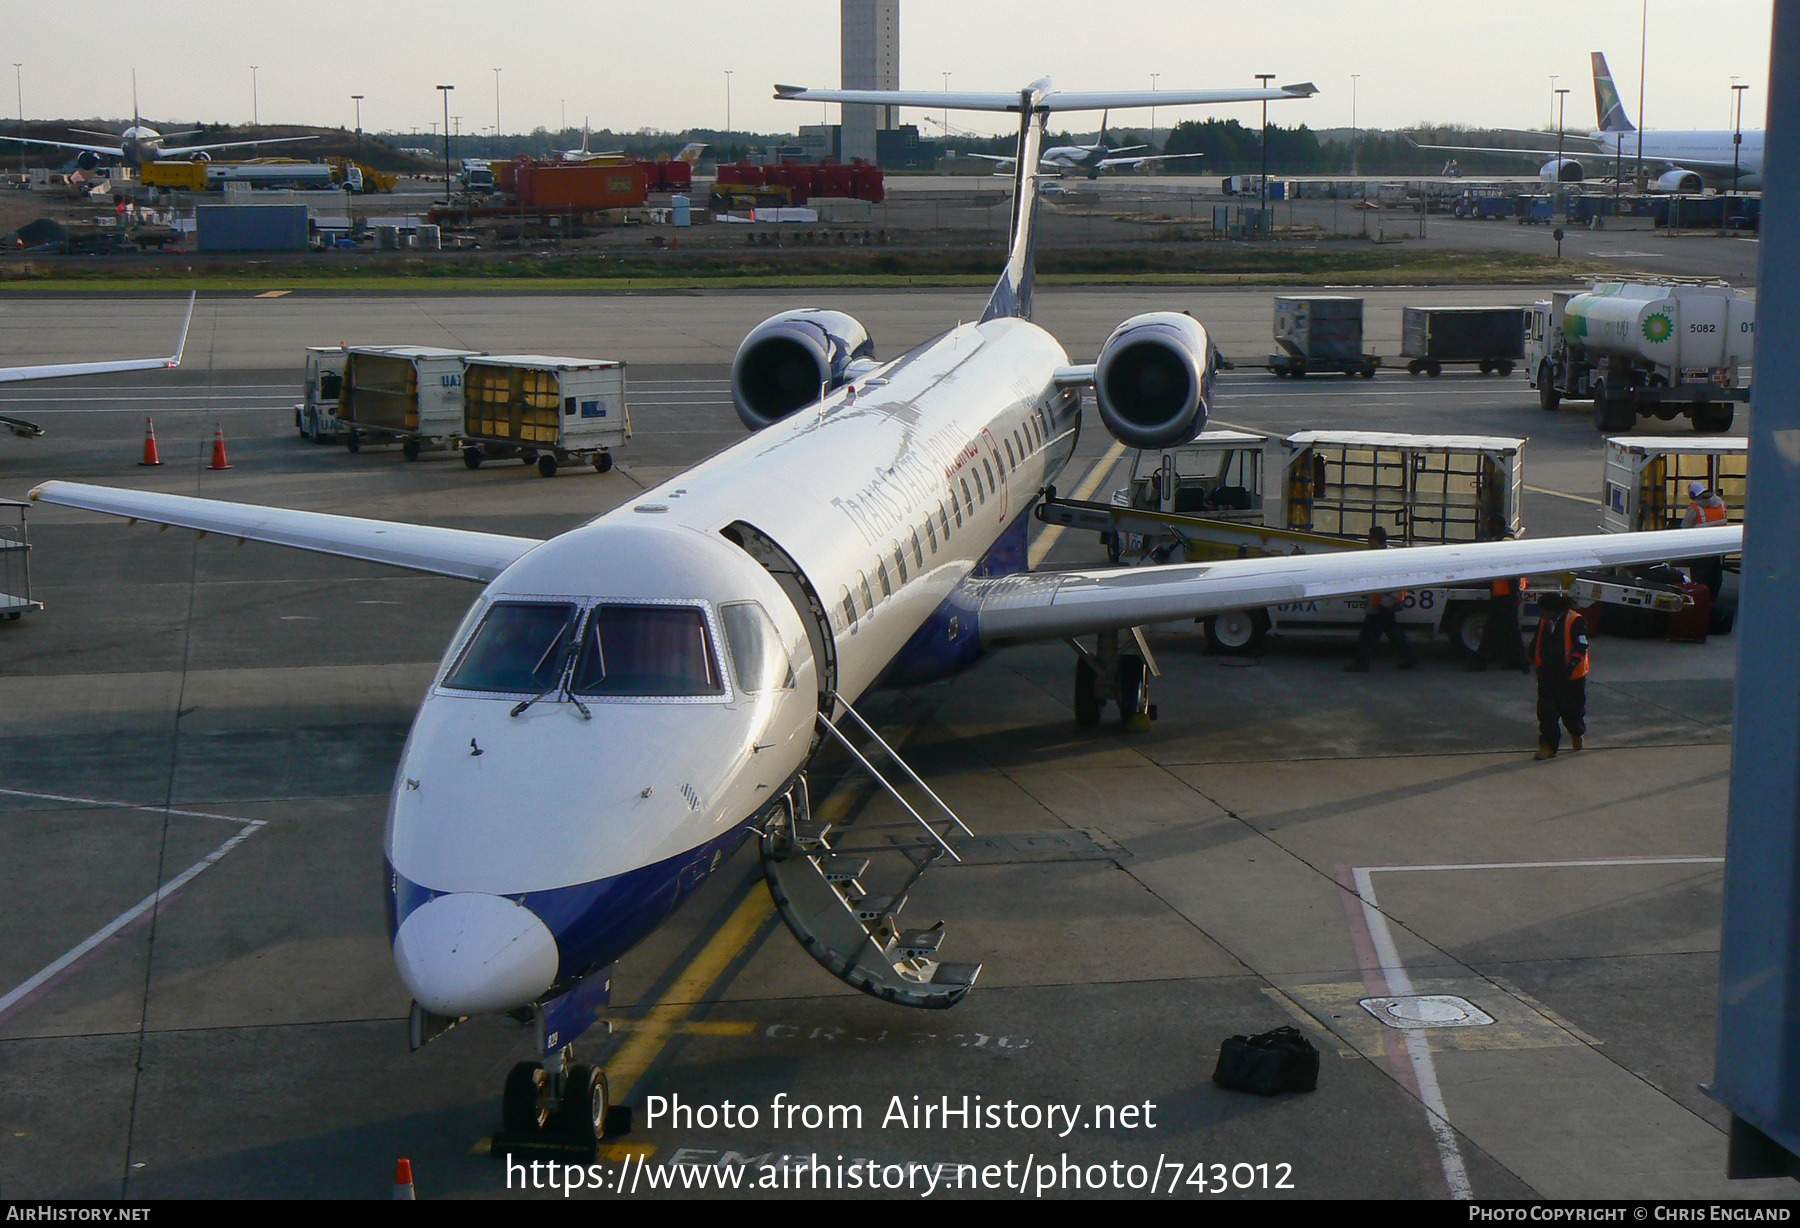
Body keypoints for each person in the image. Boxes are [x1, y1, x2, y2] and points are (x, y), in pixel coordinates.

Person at [1345, 526, 1419, 672]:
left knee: (1367, 635)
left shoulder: (1383, 556)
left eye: (1369, 538)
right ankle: (1411, 658)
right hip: (1384, 603)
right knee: (1394, 633)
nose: (1367, 541)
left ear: (1374, 539)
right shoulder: (1387, 553)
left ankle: (1361, 663)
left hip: (1380, 604)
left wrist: (1388, 599)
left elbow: (1392, 580)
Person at [1530, 590, 1590, 759]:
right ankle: (1548, 746)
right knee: (1546, 712)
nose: (1542, 613)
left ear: (1552, 610)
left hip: (1570, 678)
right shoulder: (1544, 622)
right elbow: (1537, 642)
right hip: (1548, 675)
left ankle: (1576, 732)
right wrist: (1527, 659)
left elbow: (1581, 645)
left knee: (1572, 711)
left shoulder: (1576, 620)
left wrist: (1571, 665)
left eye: (1544, 610)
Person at [1468, 514, 1529, 673]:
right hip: (1507, 594)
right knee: (1511, 631)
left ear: (1496, 526)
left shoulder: (1505, 544)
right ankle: (1519, 661)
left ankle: (1480, 662)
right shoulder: (1507, 540)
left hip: (1505, 596)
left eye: (1489, 525)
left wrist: (1514, 594)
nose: (1486, 528)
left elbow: (1511, 573)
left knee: (1490, 630)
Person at [1680, 479, 1727, 599]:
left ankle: (1702, 602)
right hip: (1718, 547)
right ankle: (1712, 600)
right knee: (1715, 576)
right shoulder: (1721, 503)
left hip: (1701, 550)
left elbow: (1684, 527)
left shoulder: (1695, 508)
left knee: (1701, 579)